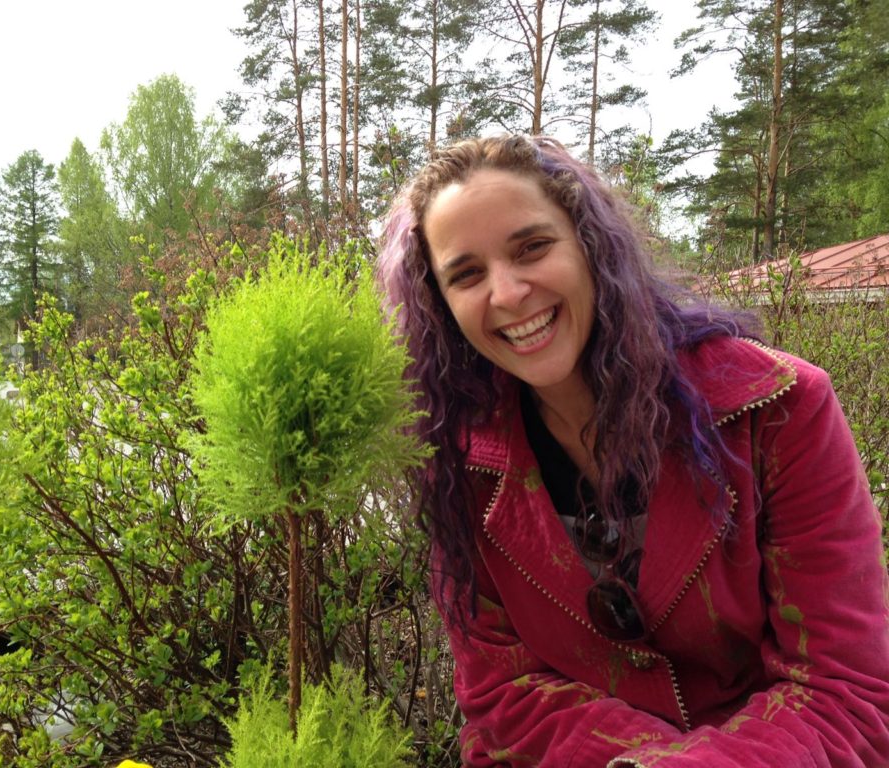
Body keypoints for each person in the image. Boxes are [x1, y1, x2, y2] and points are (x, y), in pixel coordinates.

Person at [376, 134, 889, 767]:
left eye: (532, 247)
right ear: (441, 306)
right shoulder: (460, 460)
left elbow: (843, 689)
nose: (507, 294)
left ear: (591, 245)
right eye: (467, 274)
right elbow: (499, 687)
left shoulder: (777, 412)